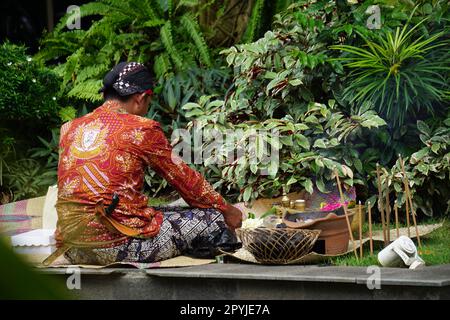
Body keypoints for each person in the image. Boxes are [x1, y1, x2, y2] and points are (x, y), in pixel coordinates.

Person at [44, 62, 242, 266]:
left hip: (71, 247)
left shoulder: (70, 128)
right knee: (212, 218)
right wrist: (226, 209)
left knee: (173, 209)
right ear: (140, 98)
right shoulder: (141, 129)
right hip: (116, 246)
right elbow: (185, 180)